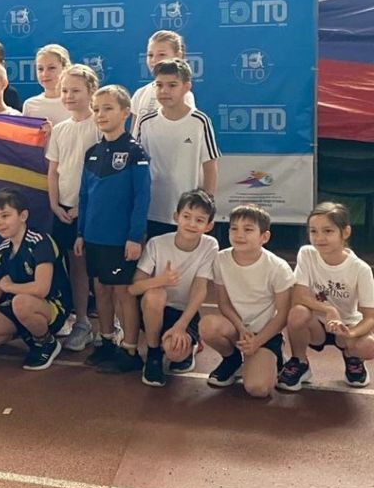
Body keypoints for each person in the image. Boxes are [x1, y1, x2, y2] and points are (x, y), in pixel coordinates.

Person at [75, 85, 150, 374]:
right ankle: (106, 341)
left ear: (125, 113)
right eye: (96, 109)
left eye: (108, 108)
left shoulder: (134, 152)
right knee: (100, 289)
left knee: (123, 293)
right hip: (93, 237)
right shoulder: (93, 153)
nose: (101, 114)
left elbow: (142, 197)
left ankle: (130, 349)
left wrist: (134, 237)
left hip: (120, 240)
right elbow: (84, 196)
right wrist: (80, 233)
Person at [0, 189, 71, 371]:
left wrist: (10, 287)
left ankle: (46, 342)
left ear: (23, 216)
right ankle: (28, 333)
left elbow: (41, 289)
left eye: (5, 216)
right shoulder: (2, 251)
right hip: (18, 305)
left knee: (21, 303)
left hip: (52, 305)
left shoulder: (40, 242)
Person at [278, 201, 374, 390]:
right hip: (316, 325)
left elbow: (370, 317)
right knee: (297, 312)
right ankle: (300, 362)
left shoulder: (360, 269)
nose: (319, 238)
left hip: (346, 325)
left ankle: (352, 357)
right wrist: (329, 310)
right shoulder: (307, 254)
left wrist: (350, 333)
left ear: (345, 232)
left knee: (368, 345)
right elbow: (299, 296)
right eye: (313, 231)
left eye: (328, 231)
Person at [201, 204, 293, 398]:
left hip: (265, 333)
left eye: (248, 229)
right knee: (207, 326)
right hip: (237, 329)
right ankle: (232, 360)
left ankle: (273, 355)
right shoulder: (220, 260)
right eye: (234, 228)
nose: (239, 235)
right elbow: (224, 304)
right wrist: (241, 328)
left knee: (258, 389)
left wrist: (258, 341)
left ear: (264, 237)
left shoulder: (278, 268)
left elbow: (283, 314)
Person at [130, 189, 219, 386]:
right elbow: (133, 289)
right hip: (155, 310)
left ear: (209, 226)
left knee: (175, 353)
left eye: (199, 220)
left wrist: (181, 325)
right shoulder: (157, 243)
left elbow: (200, 289)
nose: (192, 224)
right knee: (155, 294)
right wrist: (161, 280)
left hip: (184, 313)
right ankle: (153, 354)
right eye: (187, 216)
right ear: (176, 217)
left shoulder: (209, 245)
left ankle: (190, 345)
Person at [45, 64, 99, 352]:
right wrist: (54, 204)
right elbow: (53, 172)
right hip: (65, 211)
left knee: (99, 270)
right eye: (65, 90)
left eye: (75, 90)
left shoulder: (100, 128)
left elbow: (103, 176)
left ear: (91, 92)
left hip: (93, 212)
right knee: (75, 266)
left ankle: (111, 323)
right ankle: (82, 322)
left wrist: (85, 208)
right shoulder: (60, 130)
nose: (68, 96)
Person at [135, 57, 219, 240]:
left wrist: (206, 206)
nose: (164, 91)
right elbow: (136, 165)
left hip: (187, 214)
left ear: (186, 87)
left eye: (172, 85)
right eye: (159, 85)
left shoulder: (200, 121)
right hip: (151, 210)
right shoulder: (145, 122)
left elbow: (210, 166)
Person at [130, 30, 196, 134]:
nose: (154, 60)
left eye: (161, 54)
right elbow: (134, 133)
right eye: (150, 55)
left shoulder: (184, 95)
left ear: (178, 55)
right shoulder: (140, 93)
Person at [21, 44, 71, 126]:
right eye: (40, 69)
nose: (45, 74)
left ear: (65, 68)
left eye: (51, 68)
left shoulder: (74, 102)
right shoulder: (30, 105)